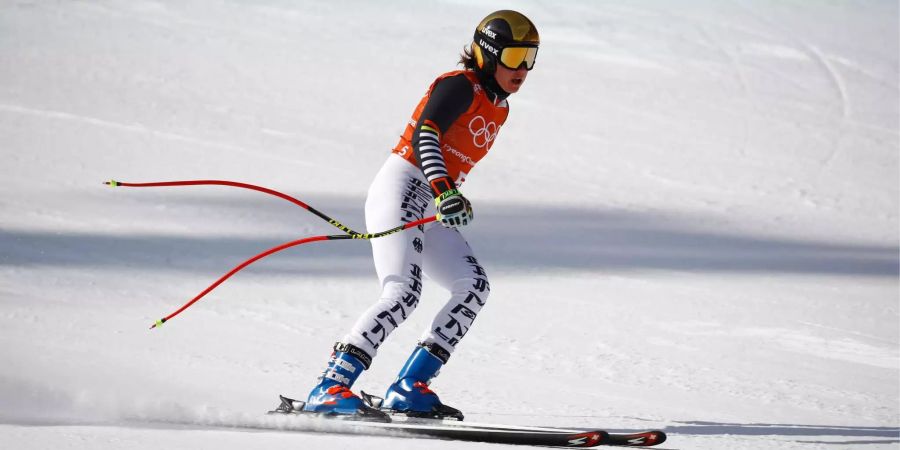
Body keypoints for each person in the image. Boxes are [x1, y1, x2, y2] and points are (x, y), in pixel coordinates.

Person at [303, 10, 540, 420]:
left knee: (473, 286)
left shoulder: (499, 107)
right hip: (402, 186)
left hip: (430, 203)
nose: (522, 69)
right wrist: (444, 188)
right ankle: (328, 386)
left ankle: (409, 386)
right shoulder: (459, 85)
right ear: (488, 54)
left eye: (530, 58)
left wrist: (448, 194)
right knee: (402, 292)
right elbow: (425, 132)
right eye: (515, 56)